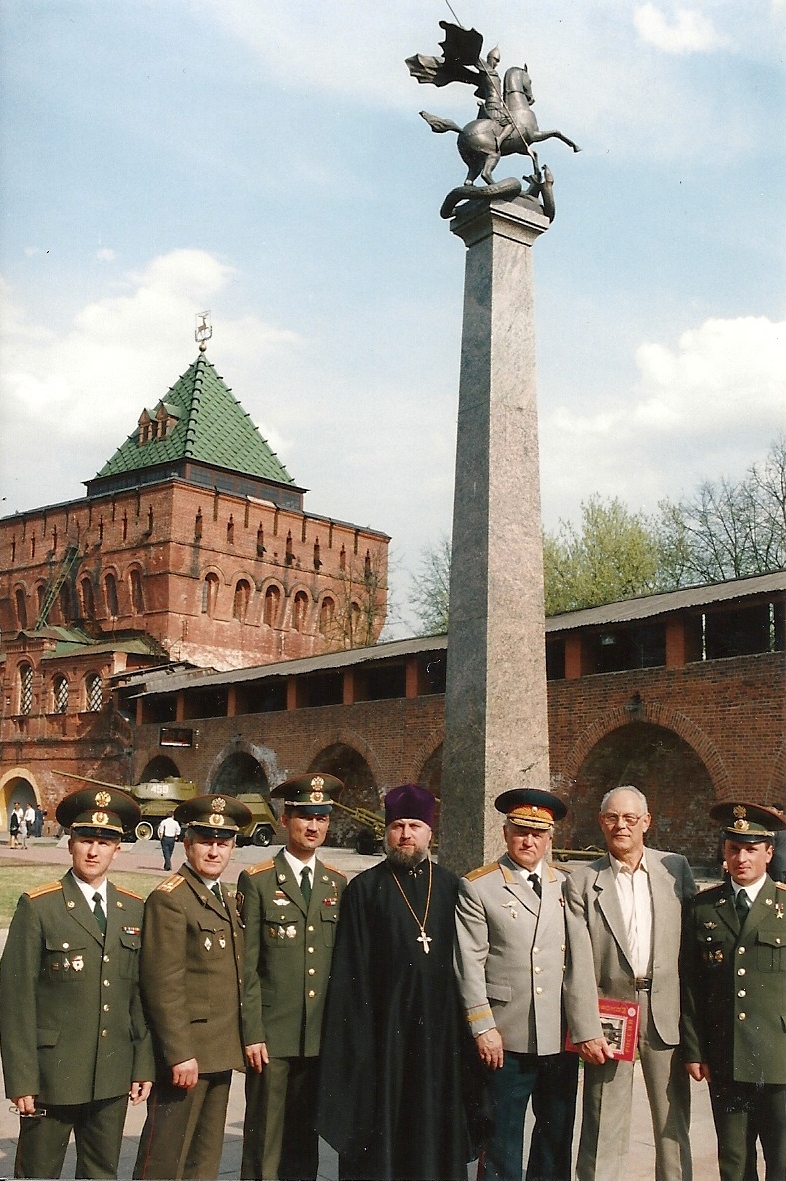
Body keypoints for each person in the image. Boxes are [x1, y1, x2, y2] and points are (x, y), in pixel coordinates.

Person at [318, 782, 482, 1181]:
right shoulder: (364, 889)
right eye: (397, 826)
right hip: (383, 1039)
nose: (405, 834)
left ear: (430, 832)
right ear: (386, 831)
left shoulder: (450, 887)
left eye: (414, 826)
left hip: (439, 1039)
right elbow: (348, 973)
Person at [0, 786, 154, 1179]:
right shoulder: (39, 906)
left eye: (104, 843)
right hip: (52, 1075)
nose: (93, 851)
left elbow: (140, 997)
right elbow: (15, 1000)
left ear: (118, 849)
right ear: (70, 844)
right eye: (86, 840)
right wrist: (21, 1079)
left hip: (112, 1074)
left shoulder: (133, 908)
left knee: (102, 1173)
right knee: (38, 1171)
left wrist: (142, 1065)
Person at [454, 788, 604, 1181]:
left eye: (538, 834)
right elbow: (470, 963)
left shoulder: (567, 884)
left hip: (558, 1032)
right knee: (502, 1138)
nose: (528, 841)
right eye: (520, 831)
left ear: (550, 839)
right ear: (505, 833)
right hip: (506, 1034)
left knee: (556, 1137)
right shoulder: (480, 886)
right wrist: (483, 1027)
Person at [564, 785, 695, 1181]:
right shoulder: (582, 882)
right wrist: (586, 1027)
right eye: (611, 818)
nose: (621, 826)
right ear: (601, 822)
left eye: (630, 818)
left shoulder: (676, 869)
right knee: (604, 1122)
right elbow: (578, 962)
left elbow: (691, 951)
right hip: (610, 1016)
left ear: (646, 823)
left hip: (664, 1010)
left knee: (672, 1126)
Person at [133, 793, 250, 1180]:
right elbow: (162, 984)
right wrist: (179, 1053)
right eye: (206, 841)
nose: (215, 851)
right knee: (165, 1159)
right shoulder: (171, 900)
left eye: (224, 843)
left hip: (219, 1049)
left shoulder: (225, 897)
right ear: (187, 843)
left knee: (204, 1159)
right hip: (186, 1058)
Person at [238, 773, 346, 1181]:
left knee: (305, 1138)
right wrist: (252, 1032)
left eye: (321, 817)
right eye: (304, 816)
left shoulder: (336, 882)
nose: (313, 826)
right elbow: (246, 966)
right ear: (286, 820)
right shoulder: (259, 880)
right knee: (264, 1136)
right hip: (273, 1035)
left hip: (317, 1036)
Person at [681, 801, 786, 1181]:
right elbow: (691, 986)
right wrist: (695, 1049)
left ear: (769, 853)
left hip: (779, 1057)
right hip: (727, 1056)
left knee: (782, 1158)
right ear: (724, 852)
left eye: (751, 849)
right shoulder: (703, 908)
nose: (742, 858)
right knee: (735, 1162)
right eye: (733, 848)